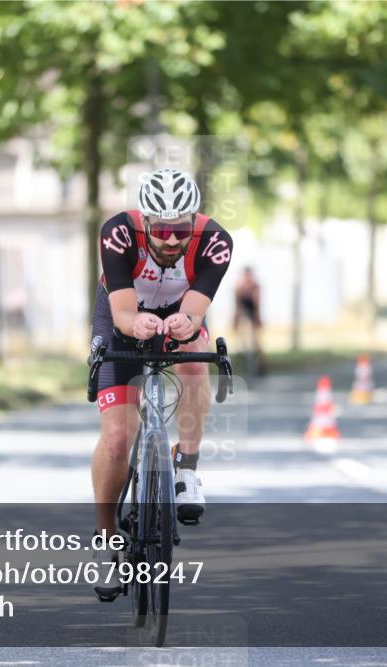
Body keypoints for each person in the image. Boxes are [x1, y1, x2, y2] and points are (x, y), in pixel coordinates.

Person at [89, 168, 232, 599]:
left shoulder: (215, 241)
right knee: (118, 437)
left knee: (195, 359)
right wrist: (136, 323)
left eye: (181, 230)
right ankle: (106, 539)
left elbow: (194, 311)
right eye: (162, 230)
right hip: (122, 318)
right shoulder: (118, 233)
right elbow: (122, 314)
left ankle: (186, 468)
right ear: (145, 221)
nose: (171, 239)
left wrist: (185, 324)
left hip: (178, 314)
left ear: (194, 223)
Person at [233, 266, 266, 375]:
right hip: (244, 315)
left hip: (252, 315)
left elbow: (257, 303)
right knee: (244, 342)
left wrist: (257, 317)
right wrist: (236, 320)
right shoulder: (239, 287)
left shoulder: (255, 286)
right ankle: (245, 366)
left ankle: (260, 367)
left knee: (256, 342)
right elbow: (237, 305)